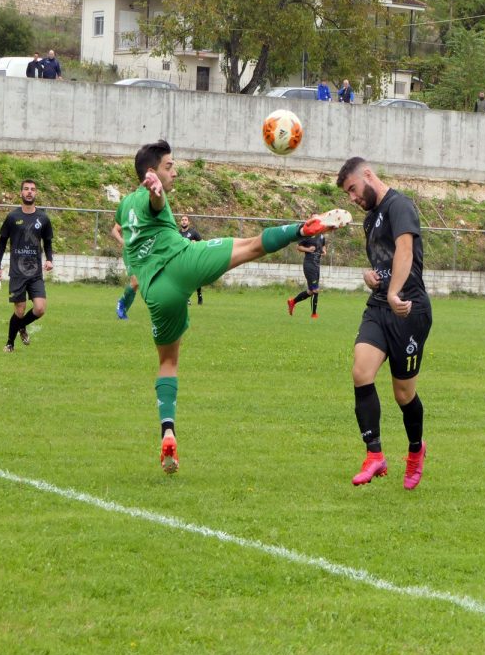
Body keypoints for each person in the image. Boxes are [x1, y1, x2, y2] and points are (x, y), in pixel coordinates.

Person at [117, 139, 350, 474]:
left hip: (155, 292)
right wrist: (155, 192)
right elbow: (155, 201)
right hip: (183, 261)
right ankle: (301, 228)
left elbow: (123, 226)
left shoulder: (125, 205)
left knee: (167, 362)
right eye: (169, 166)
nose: (175, 172)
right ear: (151, 171)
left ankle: (168, 430)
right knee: (251, 246)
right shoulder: (150, 195)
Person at [336, 157, 432, 490]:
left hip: (409, 309)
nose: (352, 198)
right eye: (348, 194)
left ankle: (416, 451)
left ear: (367, 175)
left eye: (353, 189)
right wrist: (370, 277)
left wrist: (394, 292)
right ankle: (374, 454)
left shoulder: (399, 205)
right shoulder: (370, 220)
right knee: (361, 371)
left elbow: (405, 250)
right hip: (380, 306)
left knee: (403, 394)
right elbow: (383, 262)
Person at [0, 180, 54, 353]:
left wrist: (49, 259)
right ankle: (10, 343)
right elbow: (2, 241)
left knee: (40, 308)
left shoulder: (43, 218)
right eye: (26, 189)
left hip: (35, 272)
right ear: (21, 193)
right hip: (17, 272)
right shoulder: (12, 217)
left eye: (32, 189)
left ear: (36, 193)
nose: (29, 192)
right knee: (19, 310)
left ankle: (21, 326)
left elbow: (47, 242)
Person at [286, 232, 326, 319]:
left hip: (316, 266)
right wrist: (308, 249)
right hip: (309, 265)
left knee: (310, 292)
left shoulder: (321, 235)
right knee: (315, 290)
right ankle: (314, 314)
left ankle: (292, 302)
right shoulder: (308, 235)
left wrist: (324, 250)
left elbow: (323, 245)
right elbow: (298, 247)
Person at [112, 218, 139, 320]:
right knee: (135, 282)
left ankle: (123, 312)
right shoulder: (127, 213)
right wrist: (122, 241)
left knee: (136, 285)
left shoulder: (146, 213)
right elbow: (115, 230)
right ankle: (121, 303)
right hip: (129, 251)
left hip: (141, 251)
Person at [178, 214, 204, 306]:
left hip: (193, 259)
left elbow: (203, 243)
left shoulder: (193, 232)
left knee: (196, 279)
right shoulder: (178, 234)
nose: (184, 221)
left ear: (188, 222)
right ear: (180, 222)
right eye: (182, 220)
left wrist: (195, 243)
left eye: (185, 220)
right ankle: (187, 298)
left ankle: (199, 295)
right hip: (182, 259)